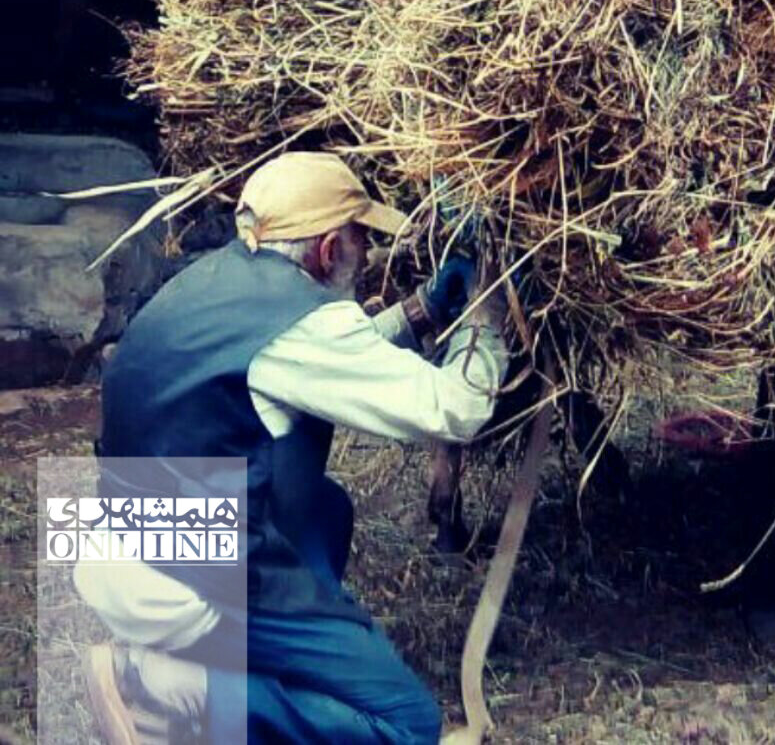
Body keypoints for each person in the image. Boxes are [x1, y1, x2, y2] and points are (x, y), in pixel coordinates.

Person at [77, 151, 510, 744]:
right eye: (361, 237)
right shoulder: (305, 326)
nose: (370, 252)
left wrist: (423, 311)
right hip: (192, 583)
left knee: (327, 508)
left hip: (126, 546)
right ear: (329, 250)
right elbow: (458, 409)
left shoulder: (213, 281)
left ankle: (242, 664)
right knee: (409, 724)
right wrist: (488, 313)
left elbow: (302, 361)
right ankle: (178, 693)